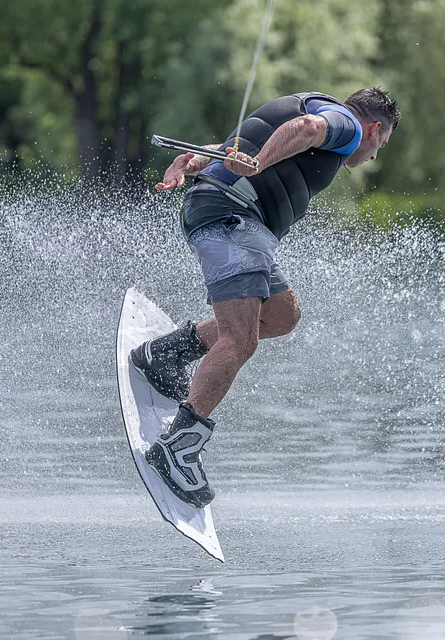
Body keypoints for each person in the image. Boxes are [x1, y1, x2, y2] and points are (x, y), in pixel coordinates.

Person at [131, 88, 400, 508]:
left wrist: (194, 160)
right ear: (374, 128)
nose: (373, 157)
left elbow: (225, 149)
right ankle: (177, 448)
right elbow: (307, 131)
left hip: (235, 221)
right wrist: (258, 164)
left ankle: (164, 354)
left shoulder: (309, 104)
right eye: (379, 146)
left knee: (281, 314)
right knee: (240, 340)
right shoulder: (344, 125)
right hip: (231, 219)